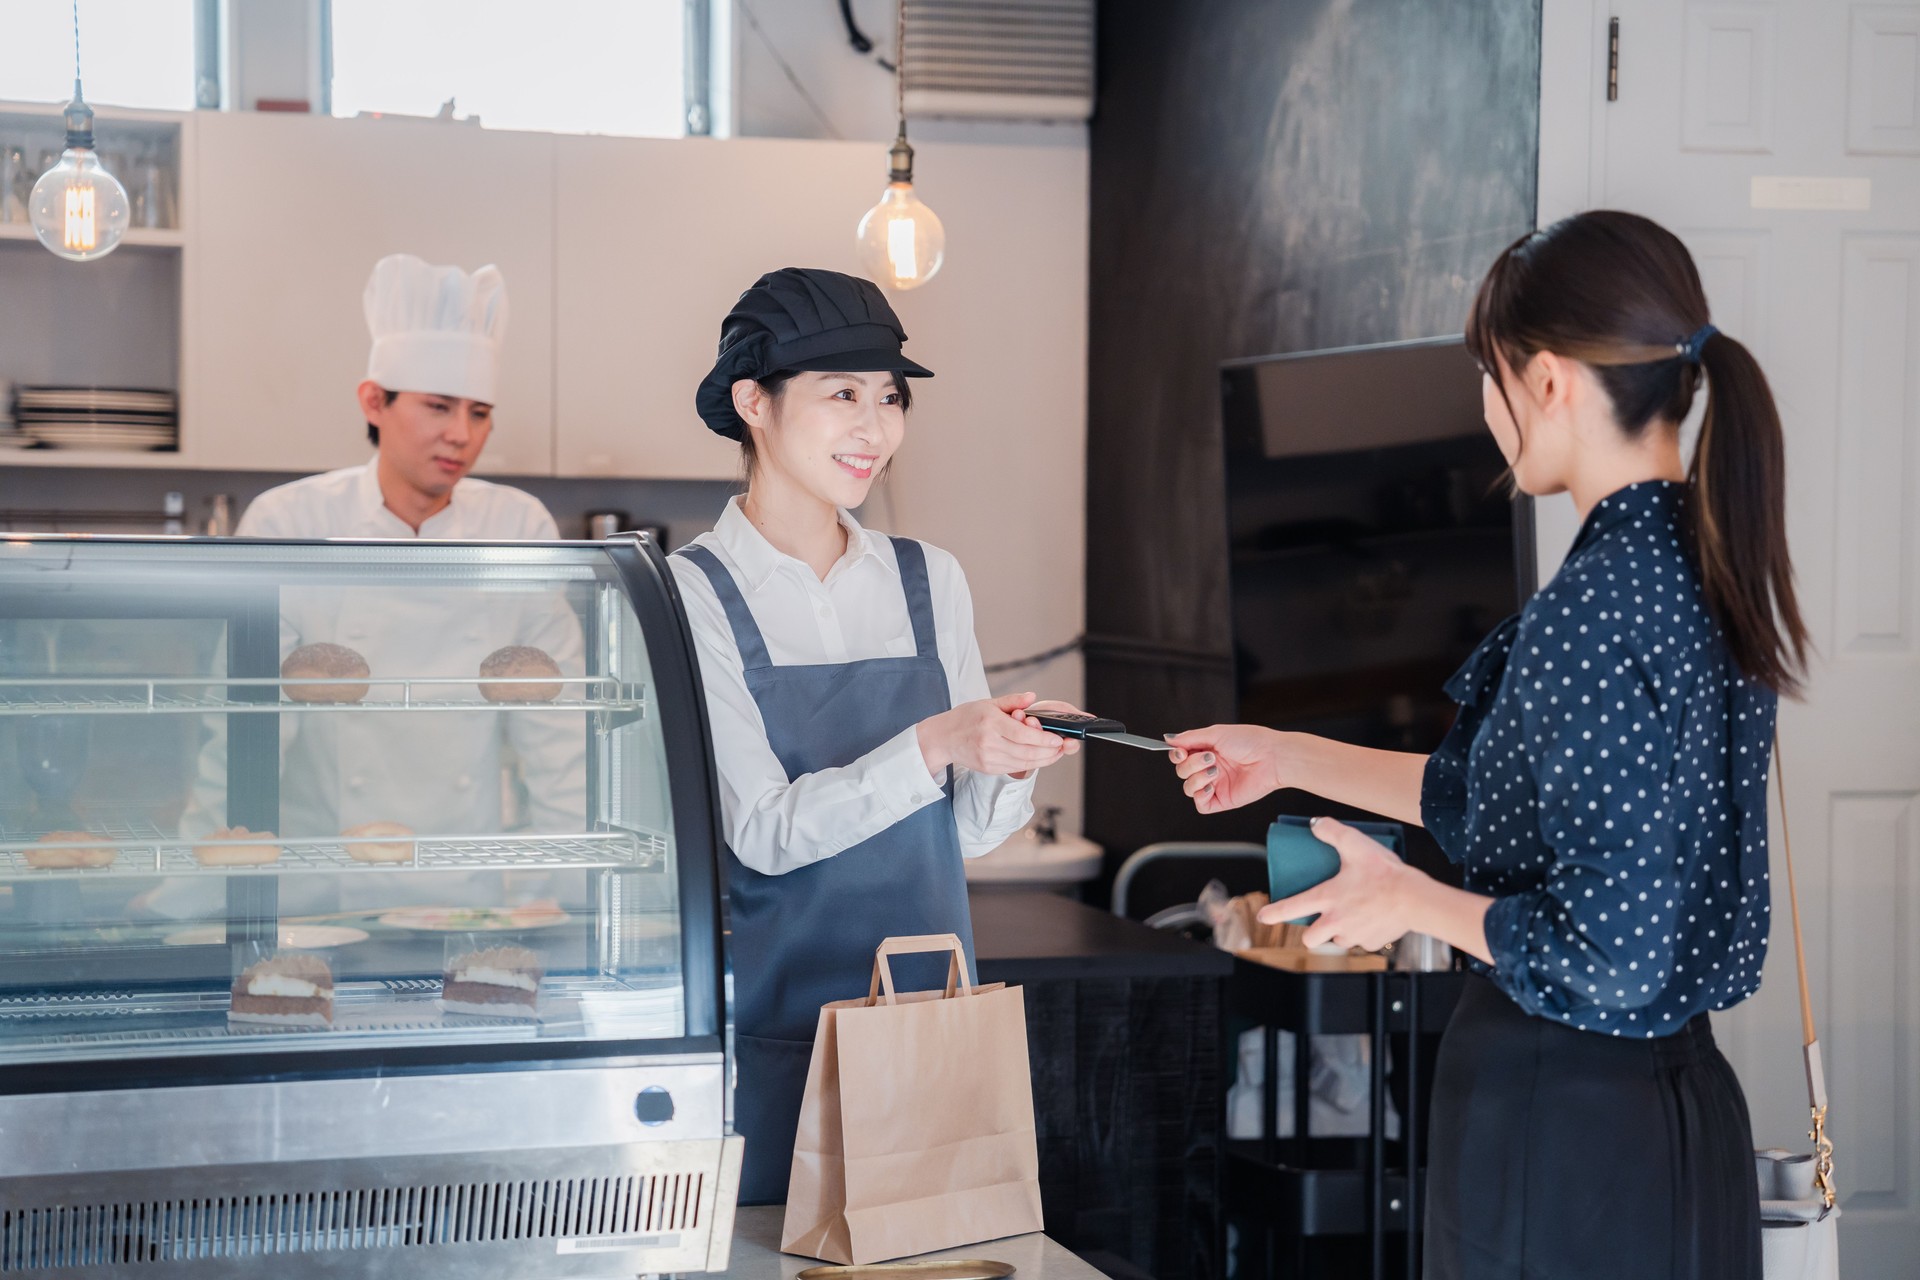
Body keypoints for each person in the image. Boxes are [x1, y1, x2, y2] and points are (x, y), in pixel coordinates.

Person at [1167, 211, 1803, 1279]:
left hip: (1561, 1130)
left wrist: (1403, 898)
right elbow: (1494, 798)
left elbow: (1612, 949)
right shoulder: (1702, 573)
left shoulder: (1596, 610)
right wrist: (1284, 753)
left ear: (1547, 380)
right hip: (1681, 1114)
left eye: (1488, 371)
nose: (1484, 404)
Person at [673, 267, 1081, 1203]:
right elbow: (764, 834)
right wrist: (937, 743)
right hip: (778, 1024)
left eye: (891, 398)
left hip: (926, 1019)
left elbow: (966, 834)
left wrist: (1007, 754)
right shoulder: (691, 591)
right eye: (842, 394)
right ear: (754, 404)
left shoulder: (929, 577)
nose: (876, 426)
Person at [149, 254, 585, 917]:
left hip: (458, 890)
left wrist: (596, 898)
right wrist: (187, 900)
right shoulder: (291, 521)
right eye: (438, 406)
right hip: (315, 897)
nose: (461, 434)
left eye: (480, 411)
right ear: (373, 402)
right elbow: (245, 734)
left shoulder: (517, 526)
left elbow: (559, 739)